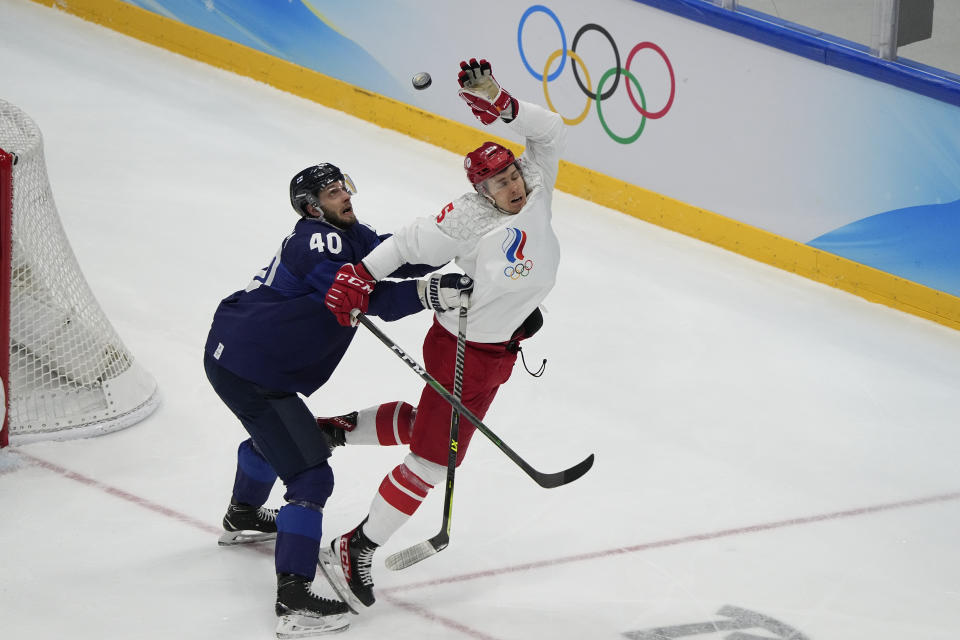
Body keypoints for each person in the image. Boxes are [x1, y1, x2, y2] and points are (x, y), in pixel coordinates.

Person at [317, 57, 566, 612]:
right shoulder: (466, 218)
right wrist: (361, 274)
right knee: (435, 461)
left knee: (433, 425)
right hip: (463, 351)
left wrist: (502, 102)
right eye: (499, 182)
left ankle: (334, 429)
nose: (512, 186)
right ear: (481, 190)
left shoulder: (538, 181)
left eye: (513, 175)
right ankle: (353, 547)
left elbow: (551, 130)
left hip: (498, 349)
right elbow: (407, 245)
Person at [203, 163, 472, 638]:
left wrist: (451, 245)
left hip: (247, 358)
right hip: (251, 368)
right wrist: (430, 293)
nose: (345, 195)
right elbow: (361, 300)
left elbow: (397, 261)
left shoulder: (346, 232)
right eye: (332, 192)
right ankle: (294, 599)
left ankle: (242, 514)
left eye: (344, 186)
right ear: (312, 208)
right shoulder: (317, 241)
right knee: (309, 474)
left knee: (278, 438)